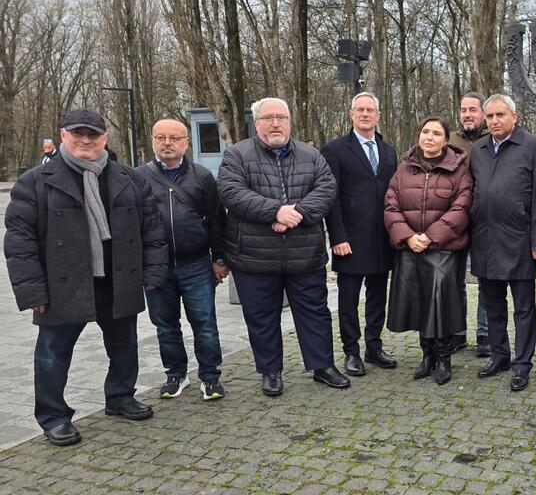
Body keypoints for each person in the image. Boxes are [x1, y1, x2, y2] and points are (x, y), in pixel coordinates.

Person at [4, 108, 167, 446]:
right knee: (52, 354)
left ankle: (120, 396)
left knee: (125, 345)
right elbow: (20, 243)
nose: (85, 140)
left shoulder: (129, 178)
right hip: (62, 284)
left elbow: (152, 229)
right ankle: (54, 417)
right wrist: (33, 291)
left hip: (117, 278)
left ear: (104, 139)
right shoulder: (35, 181)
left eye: (93, 134)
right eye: (78, 133)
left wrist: (153, 272)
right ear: (63, 135)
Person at [217, 97, 348, 396]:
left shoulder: (311, 155)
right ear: (256, 123)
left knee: (315, 313)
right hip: (255, 256)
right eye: (268, 118)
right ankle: (271, 371)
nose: (275, 123)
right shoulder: (237, 155)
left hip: (305, 254)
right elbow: (231, 191)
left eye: (281, 117)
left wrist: (295, 214)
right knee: (262, 317)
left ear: (289, 122)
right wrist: (275, 212)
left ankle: (322, 366)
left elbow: (327, 189)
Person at [137, 119, 229, 401]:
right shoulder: (138, 177)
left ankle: (210, 377)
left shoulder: (202, 176)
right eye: (161, 137)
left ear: (186, 143)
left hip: (197, 264)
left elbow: (216, 220)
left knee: (205, 323)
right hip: (156, 267)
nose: (167, 143)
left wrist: (220, 258)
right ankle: (175, 374)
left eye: (174, 138)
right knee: (165, 326)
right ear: (153, 140)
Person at [470, 94, 536, 392]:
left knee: (523, 308)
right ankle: (500, 355)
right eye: (489, 116)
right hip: (484, 238)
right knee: (493, 305)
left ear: (514, 117)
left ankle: (522, 363)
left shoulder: (534, 146)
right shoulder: (478, 149)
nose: (494, 121)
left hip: (520, 239)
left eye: (500, 115)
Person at [384, 117, 473, 385]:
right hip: (410, 247)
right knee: (419, 303)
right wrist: (408, 236)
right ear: (419, 135)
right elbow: (391, 206)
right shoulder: (404, 169)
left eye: (436, 133)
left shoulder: (459, 170)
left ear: (446, 139)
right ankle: (427, 355)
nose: (430, 137)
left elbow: (461, 208)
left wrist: (431, 236)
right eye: (425, 132)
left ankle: (444, 358)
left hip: (442, 249)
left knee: (440, 304)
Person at [321, 92, 399, 376]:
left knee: (378, 297)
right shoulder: (335, 150)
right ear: (351, 114)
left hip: (382, 240)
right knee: (349, 300)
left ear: (378, 115)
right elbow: (331, 197)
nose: (365, 114)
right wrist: (337, 237)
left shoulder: (388, 151)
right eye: (360, 110)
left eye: (370, 110)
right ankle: (351, 351)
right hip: (350, 240)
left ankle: (373, 347)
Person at [448, 92, 491, 357]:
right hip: (455, 218)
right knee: (455, 279)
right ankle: (457, 331)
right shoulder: (450, 140)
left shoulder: (492, 138)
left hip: (485, 218)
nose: (467, 115)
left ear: (483, 113)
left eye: (473, 110)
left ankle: (485, 333)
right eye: (464, 110)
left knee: (486, 279)